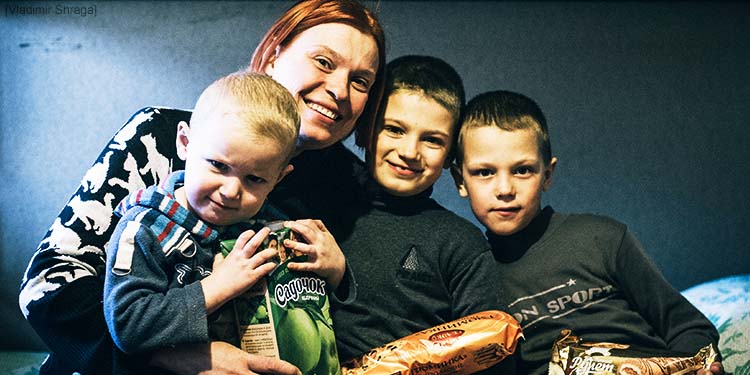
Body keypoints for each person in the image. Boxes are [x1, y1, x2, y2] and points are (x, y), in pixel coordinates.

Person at [18, 1, 385, 374]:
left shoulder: (349, 189)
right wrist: (170, 359)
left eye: (360, 81)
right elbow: (46, 287)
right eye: (323, 61)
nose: (340, 88)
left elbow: (351, 325)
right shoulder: (160, 138)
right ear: (274, 57)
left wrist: (338, 280)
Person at [450, 90, 723, 375]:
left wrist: (695, 365)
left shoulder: (602, 238)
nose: (505, 189)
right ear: (460, 180)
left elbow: (689, 327)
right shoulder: (472, 278)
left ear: (547, 174)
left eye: (522, 170)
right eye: (484, 173)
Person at [103, 71, 334, 373]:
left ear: (278, 179)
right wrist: (219, 286)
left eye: (255, 179)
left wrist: (334, 271)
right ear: (185, 142)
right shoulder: (145, 228)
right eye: (218, 165)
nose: (231, 191)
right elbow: (128, 326)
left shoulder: (265, 228)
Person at [313, 55, 512, 373]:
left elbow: (493, 358)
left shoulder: (460, 243)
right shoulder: (319, 203)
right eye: (394, 129)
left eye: (432, 140)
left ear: (450, 157)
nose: (409, 152)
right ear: (366, 130)